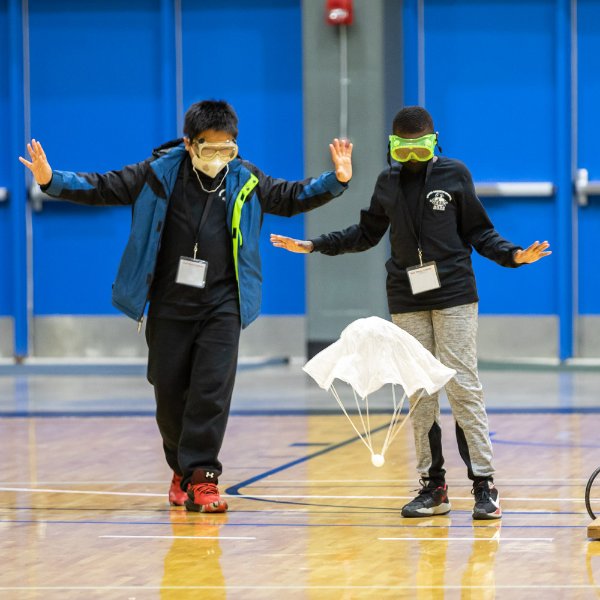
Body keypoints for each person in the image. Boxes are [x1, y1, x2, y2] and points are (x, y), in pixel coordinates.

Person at [20, 100, 353, 513]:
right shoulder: (157, 174)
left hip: (223, 304)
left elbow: (289, 196)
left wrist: (335, 181)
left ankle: (203, 478)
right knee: (170, 393)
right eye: (209, 149)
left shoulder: (245, 178)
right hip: (169, 304)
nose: (218, 158)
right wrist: (51, 179)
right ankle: (181, 469)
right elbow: (103, 186)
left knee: (211, 391)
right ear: (189, 143)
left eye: (226, 149)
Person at [271, 106, 550, 520]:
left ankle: (484, 484)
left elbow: (479, 230)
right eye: (405, 151)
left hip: (454, 292)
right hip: (407, 296)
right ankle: (433, 487)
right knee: (419, 390)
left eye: (421, 150)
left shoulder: (455, 174)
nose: (413, 159)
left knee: (461, 385)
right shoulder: (387, 182)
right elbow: (365, 233)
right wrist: (315, 245)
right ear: (393, 148)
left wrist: (512, 255)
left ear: (433, 143)